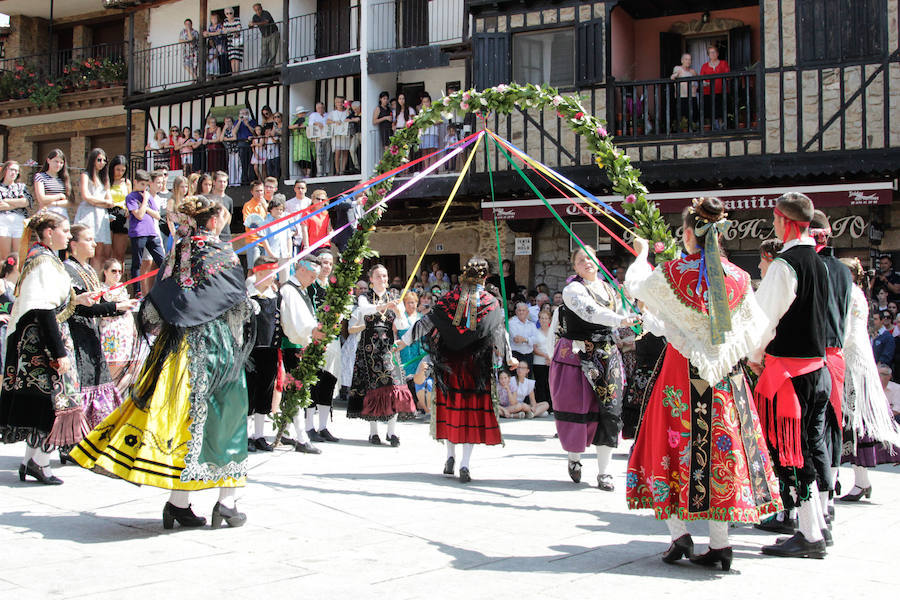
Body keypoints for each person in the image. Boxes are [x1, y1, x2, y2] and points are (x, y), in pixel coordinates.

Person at [71, 196, 254, 529]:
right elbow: (236, 305)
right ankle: (226, 503)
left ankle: (178, 504)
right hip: (215, 347)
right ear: (213, 222)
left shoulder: (176, 252)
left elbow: (157, 304)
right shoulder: (223, 253)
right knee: (226, 415)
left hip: (175, 349)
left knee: (182, 420)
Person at [625, 197, 782, 571]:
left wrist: (642, 253)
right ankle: (721, 544)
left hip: (682, 372)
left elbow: (636, 287)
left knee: (668, 439)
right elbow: (760, 326)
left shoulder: (674, 272)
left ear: (690, 233)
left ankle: (679, 534)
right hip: (726, 376)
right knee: (721, 447)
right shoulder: (741, 278)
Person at [748, 192, 831, 559]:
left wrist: (754, 355)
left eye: (777, 220)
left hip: (789, 378)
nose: (775, 225)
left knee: (792, 455)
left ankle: (810, 534)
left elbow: (763, 319)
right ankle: (817, 527)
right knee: (808, 449)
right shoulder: (820, 262)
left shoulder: (785, 265)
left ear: (786, 222)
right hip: (816, 369)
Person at [399, 257, 517, 482]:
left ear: (464, 275)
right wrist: (509, 358)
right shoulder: (491, 301)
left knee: (451, 409)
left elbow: (426, 323)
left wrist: (402, 343)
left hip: (449, 364)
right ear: (485, 277)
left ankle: (450, 457)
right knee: (470, 413)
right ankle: (464, 463)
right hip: (476, 366)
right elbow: (500, 331)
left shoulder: (449, 298)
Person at [0, 211, 93, 484]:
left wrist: (79, 300)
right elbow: (43, 309)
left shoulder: (45, 258)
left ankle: (31, 460)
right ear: (49, 232)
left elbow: (54, 302)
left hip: (40, 342)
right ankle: (40, 463)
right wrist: (59, 352)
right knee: (55, 400)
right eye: (64, 230)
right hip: (43, 344)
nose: (67, 235)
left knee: (44, 401)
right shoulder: (42, 261)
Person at [549, 246, 636, 491]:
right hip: (578, 355)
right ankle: (574, 457)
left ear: (597, 262)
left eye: (590, 258)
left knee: (610, 411)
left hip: (606, 354)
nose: (586, 262)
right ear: (574, 267)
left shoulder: (609, 289)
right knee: (578, 408)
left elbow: (620, 319)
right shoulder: (572, 290)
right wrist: (620, 320)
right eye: (580, 260)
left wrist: (637, 324)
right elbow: (591, 312)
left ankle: (604, 472)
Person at [63, 225, 136, 435]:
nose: (94, 244)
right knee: (82, 387)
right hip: (77, 335)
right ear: (74, 245)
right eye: (88, 240)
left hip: (92, 334)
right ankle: (75, 437)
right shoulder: (69, 270)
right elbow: (84, 308)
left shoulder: (87, 270)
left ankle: (94, 436)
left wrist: (120, 306)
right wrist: (115, 307)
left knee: (98, 385)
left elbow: (99, 301)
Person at [838, 259, 900, 500]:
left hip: (854, 366)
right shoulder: (855, 293)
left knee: (855, 423)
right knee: (854, 424)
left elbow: (849, 332)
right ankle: (861, 481)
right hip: (854, 363)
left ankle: (861, 482)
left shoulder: (852, 294)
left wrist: (835, 352)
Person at [811, 210, 853, 523]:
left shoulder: (809, 267)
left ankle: (818, 503)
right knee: (832, 427)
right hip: (836, 353)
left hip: (813, 354)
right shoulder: (843, 271)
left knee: (812, 430)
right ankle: (830, 497)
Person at [347, 264, 416, 445]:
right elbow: (365, 310)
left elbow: (401, 326)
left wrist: (399, 313)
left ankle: (392, 432)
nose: (383, 280)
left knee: (395, 386)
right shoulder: (365, 297)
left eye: (385, 276)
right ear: (371, 279)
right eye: (378, 276)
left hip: (388, 347)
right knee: (373, 388)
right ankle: (373, 432)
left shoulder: (394, 296)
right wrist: (385, 306)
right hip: (369, 347)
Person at [280, 255, 326, 454]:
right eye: (312, 275)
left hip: (301, 343)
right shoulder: (289, 290)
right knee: (298, 391)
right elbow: (296, 321)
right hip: (293, 345)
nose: (314, 279)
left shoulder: (301, 290)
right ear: (302, 270)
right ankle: (301, 437)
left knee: (295, 390)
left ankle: (287, 432)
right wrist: (312, 331)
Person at [305, 249, 341, 442]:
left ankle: (323, 426)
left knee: (329, 381)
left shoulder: (336, 289)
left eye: (329, 263)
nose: (326, 266)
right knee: (314, 381)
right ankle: (309, 426)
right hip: (315, 339)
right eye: (323, 262)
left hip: (333, 340)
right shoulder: (310, 287)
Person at [246, 255, 280, 452]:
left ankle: (259, 435)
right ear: (258, 273)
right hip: (251, 351)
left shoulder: (275, 296)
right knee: (250, 392)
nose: (273, 277)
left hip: (270, 349)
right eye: (269, 273)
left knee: (265, 393)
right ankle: (247, 435)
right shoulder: (247, 294)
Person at [98, 258, 137, 384]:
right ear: (105, 272)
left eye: (120, 271)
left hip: (125, 332)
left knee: (127, 368)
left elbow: (128, 313)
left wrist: (134, 330)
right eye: (113, 271)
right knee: (110, 369)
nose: (117, 274)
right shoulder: (101, 289)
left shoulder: (123, 289)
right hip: (109, 332)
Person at [75, 148, 114, 271]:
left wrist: (104, 203)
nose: (102, 163)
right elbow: (86, 197)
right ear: (92, 160)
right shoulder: (85, 175)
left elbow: (110, 201)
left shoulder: (104, 178)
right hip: (88, 214)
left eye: (104, 160)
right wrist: (104, 203)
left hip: (101, 216)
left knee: (99, 252)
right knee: (84, 250)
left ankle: (95, 282)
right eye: (99, 160)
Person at [125, 170, 165, 283]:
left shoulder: (147, 196)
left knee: (163, 261)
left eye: (146, 185)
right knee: (137, 263)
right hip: (139, 233)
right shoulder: (131, 197)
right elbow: (139, 215)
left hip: (151, 232)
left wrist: (146, 205)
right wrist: (145, 201)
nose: (144, 187)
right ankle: (137, 290)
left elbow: (157, 215)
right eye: (142, 184)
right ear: (135, 182)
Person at [0, 161, 32, 260]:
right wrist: (18, 204)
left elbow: (27, 201)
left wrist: (7, 201)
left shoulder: (21, 187)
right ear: (5, 170)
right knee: (4, 257)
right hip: (3, 223)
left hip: (19, 223)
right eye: (11, 170)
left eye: (16, 171)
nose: (14, 173)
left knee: (18, 256)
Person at [107, 155, 131, 266]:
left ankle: (119, 281)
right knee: (106, 253)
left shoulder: (126, 182)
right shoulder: (106, 180)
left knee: (120, 253)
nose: (120, 172)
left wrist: (128, 210)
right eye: (118, 169)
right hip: (108, 214)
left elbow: (130, 199)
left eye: (123, 170)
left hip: (122, 215)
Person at [33, 149, 71, 219]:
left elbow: (69, 201)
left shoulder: (64, 178)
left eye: (61, 162)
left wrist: (53, 204)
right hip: (46, 213)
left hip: (62, 214)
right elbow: (42, 199)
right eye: (56, 161)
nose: (58, 165)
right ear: (48, 160)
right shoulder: (40, 176)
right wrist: (60, 196)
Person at [700, 45, 730, 129]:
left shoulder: (723, 63)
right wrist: (705, 83)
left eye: (714, 52)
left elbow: (728, 76)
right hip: (708, 92)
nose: (712, 54)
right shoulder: (705, 66)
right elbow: (701, 79)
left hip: (721, 91)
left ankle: (721, 128)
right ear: (708, 55)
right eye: (710, 52)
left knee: (721, 111)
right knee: (710, 111)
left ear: (717, 53)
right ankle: (712, 129)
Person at [242, 180, 268, 267]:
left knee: (264, 268)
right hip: (254, 241)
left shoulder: (266, 204)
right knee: (253, 268)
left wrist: (266, 206)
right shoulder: (248, 205)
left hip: (266, 241)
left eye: (261, 190)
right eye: (257, 191)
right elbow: (248, 222)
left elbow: (271, 220)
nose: (259, 193)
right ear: (252, 192)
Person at [670, 52, 698, 129]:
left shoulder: (692, 71)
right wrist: (675, 75)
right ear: (682, 61)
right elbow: (674, 76)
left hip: (692, 97)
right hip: (682, 97)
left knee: (693, 117)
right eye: (686, 59)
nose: (688, 61)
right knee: (682, 118)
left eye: (689, 59)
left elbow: (699, 80)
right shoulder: (678, 68)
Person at [532, 310, 553, 409]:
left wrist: (550, 358)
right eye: (542, 318)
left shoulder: (553, 332)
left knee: (550, 384)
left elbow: (556, 346)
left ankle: (552, 406)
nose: (544, 320)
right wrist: (546, 356)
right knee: (540, 384)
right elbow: (534, 349)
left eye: (546, 318)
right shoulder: (535, 332)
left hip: (551, 362)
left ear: (549, 320)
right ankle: (542, 407)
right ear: (539, 320)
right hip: (539, 361)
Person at [205, 171, 233, 242]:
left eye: (224, 182)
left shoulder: (229, 200)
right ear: (214, 182)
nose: (222, 184)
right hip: (211, 235)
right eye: (220, 181)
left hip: (226, 236)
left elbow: (229, 219)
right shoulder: (209, 198)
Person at [250, 3, 279, 67]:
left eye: (258, 9)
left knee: (273, 51)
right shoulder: (255, 17)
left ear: (261, 8)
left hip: (273, 33)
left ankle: (270, 67)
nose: (258, 11)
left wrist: (254, 23)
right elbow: (252, 26)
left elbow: (266, 22)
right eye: (256, 10)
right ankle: (262, 68)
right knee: (264, 53)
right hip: (264, 36)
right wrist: (250, 25)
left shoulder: (266, 13)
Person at [290, 106, 314, 178]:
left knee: (308, 158)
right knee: (299, 160)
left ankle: (308, 174)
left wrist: (297, 126)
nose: (300, 115)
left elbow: (305, 125)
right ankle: (305, 174)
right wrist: (297, 126)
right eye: (299, 114)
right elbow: (290, 126)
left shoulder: (307, 119)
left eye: (302, 113)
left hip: (306, 141)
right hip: (297, 143)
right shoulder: (295, 120)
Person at [286, 180, 310, 252]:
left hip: (308, 236)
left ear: (306, 189)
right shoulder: (288, 203)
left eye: (302, 188)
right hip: (295, 236)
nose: (300, 190)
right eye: (298, 188)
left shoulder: (310, 202)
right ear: (294, 189)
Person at [236, 108, 258, 185]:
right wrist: (239, 121)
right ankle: (244, 180)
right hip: (242, 143)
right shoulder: (238, 122)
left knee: (251, 162)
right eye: (242, 113)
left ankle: (251, 179)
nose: (244, 115)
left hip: (251, 143)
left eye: (245, 113)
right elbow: (234, 132)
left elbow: (254, 132)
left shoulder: (252, 122)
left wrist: (247, 124)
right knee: (243, 163)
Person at [308, 102, 331, 177]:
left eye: (322, 108)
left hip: (327, 137)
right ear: (316, 108)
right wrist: (317, 123)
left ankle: (327, 172)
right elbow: (310, 123)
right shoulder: (313, 115)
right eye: (319, 108)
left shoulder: (327, 115)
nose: (320, 109)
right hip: (318, 138)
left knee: (327, 155)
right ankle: (320, 172)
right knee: (319, 155)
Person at [329, 96, 350, 176]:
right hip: (337, 134)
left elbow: (349, 117)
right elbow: (328, 121)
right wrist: (335, 122)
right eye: (337, 102)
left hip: (345, 134)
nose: (339, 104)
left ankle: (343, 170)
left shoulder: (346, 112)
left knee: (345, 151)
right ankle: (337, 170)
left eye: (341, 102)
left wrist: (348, 108)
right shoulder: (333, 113)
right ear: (335, 103)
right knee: (337, 152)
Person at [418, 93, 439, 170]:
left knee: (432, 151)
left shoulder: (434, 110)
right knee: (424, 152)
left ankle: (432, 169)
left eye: (427, 101)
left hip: (433, 133)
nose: (426, 103)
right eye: (424, 102)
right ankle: (426, 169)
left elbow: (439, 121)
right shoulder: (421, 112)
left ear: (430, 102)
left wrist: (430, 121)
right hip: (424, 134)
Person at [203, 11, 227, 76]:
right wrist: (206, 33)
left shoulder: (219, 25)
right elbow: (206, 34)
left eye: (215, 18)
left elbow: (219, 33)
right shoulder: (210, 27)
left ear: (217, 19)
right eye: (212, 19)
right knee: (216, 60)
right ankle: (216, 74)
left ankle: (223, 74)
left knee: (221, 58)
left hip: (220, 44)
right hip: (213, 45)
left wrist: (210, 33)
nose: (213, 20)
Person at [222, 8, 243, 74]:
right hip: (230, 42)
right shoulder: (225, 21)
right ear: (225, 14)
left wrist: (229, 30)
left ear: (233, 13)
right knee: (232, 58)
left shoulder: (237, 19)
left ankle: (237, 73)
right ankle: (234, 73)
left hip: (237, 41)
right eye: (227, 13)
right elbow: (223, 31)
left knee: (236, 57)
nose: (229, 15)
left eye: (230, 13)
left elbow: (239, 29)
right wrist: (233, 29)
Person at [222, 116, 242, 185]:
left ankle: (237, 181)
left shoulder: (234, 128)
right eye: (226, 122)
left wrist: (227, 139)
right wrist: (224, 128)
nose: (228, 123)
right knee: (231, 166)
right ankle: (231, 181)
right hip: (230, 150)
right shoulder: (225, 130)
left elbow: (234, 138)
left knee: (237, 165)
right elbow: (221, 139)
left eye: (229, 121)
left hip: (236, 149)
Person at [266, 112, 283, 181]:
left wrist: (275, 132)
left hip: (283, 145)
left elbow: (283, 132)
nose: (276, 118)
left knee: (281, 163)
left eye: (278, 116)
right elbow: (272, 134)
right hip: (277, 146)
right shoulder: (275, 125)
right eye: (275, 117)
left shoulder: (283, 124)